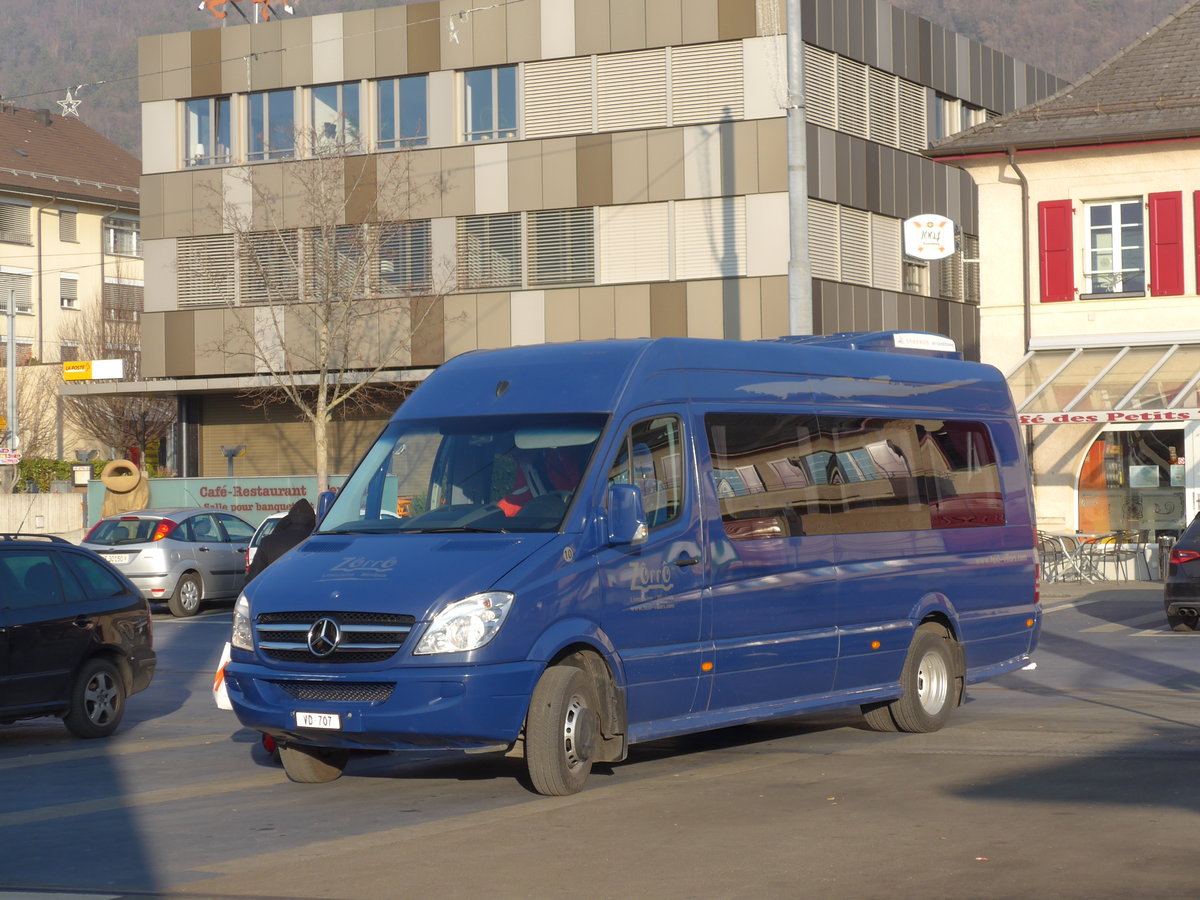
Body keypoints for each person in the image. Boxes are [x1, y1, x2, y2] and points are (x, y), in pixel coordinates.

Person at [244, 498, 316, 584]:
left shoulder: (268, 542)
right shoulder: (318, 542)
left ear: (287, 520)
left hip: (274, 592)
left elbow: (253, 577)